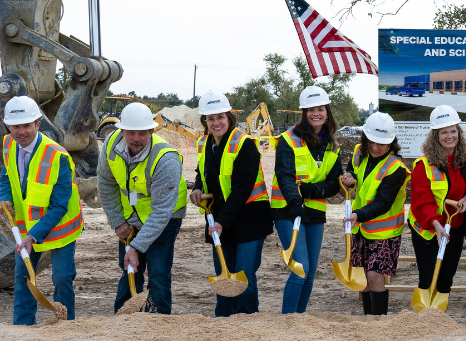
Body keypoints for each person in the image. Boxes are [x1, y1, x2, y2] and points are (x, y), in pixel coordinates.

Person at [187, 91, 273, 317]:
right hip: (221, 216)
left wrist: (221, 222)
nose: (216, 123)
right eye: (210, 118)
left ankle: (246, 318)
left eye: (220, 117)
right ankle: (224, 320)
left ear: (229, 117)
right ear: (205, 121)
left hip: (249, 217)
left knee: (243, 273)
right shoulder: (205, 143)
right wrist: (197, 187)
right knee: (224, 272)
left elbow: (242, 189)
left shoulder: (244, 144)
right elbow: (202, 170)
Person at [97, 103, 187, 314]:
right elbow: (106, 183)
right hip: (131, 217)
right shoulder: (111, 145)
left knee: (158, 273)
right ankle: (124, 317)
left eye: (142, 133)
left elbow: (162, 211)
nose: (136, 138)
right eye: (131, 132)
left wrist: (136, 247)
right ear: (121, 131)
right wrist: (118, 222)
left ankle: (157, 321)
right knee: (129, 267)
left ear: (151, 131)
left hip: (165, 217)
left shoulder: (166, 158)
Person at [0, 96, 82, 324]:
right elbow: (6, 175)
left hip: (60, 227)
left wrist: (33, 236)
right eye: (16, 126)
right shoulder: (8, 144)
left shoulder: (58, 156)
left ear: (38, 124)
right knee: (22, 276)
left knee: (62, 277)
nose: (21, 132)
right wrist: (4, 197)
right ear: (8, 126)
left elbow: (59, 206)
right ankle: (23, 327)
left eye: (27, 125)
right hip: (27, 228)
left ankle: (65, 325)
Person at [268, 85, 344, 314]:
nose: (316, 113)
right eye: (310, 110)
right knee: (300, 267)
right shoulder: (288, 140)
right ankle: (287, 320)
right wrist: (295, 203)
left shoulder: (332, 145)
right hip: (288, 211)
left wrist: (310, 191)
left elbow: (334, 183)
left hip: (315, 212)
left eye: (320, 109)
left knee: (310, 272)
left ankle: (298, 319)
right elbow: (284, 176)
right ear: (304, 112)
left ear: (327, 112)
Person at [408, 105, 466, 304]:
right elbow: (421, 201)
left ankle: (438, 318)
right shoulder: (424, 165)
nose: (449, 136)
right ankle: (425, 317)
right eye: (443, 132)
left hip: (455, 225)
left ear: (459, 132)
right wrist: (436, 224)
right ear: (435, 136)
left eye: (453, 131)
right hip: (429, 228)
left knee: (446, 277)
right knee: (429, 275)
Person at [341, 112, 411, 315]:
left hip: (384, 232)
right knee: (364, 277)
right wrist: (349, 177)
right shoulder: (359, 152)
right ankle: (368, 320)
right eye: (371, 141)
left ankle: (379, 321)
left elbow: (383, 203)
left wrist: (358, 215)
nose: (375, 147)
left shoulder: (396, 168)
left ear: (391, 142)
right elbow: (354, 170)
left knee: (374, 276)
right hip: (362, 228)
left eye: (381, 143)